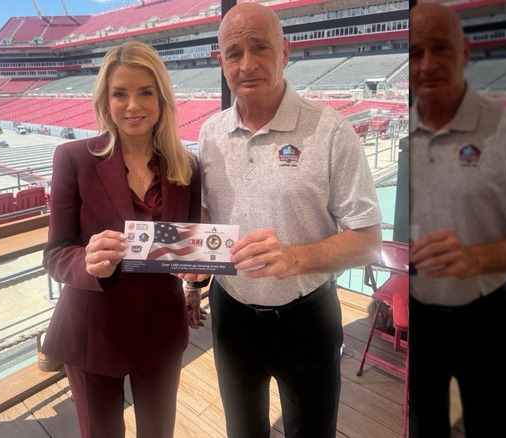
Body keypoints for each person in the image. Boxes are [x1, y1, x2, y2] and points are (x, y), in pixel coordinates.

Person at [197, 3, 383, 437]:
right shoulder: (210, 133)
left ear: (285, 51)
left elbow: (368, 240)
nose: (248, 64)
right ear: (220, 61)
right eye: (234, 52)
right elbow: (209, 213)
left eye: (260, 47)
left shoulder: (332, 132)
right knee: (242, 430)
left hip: (306, 318)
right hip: (231, 313)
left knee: (312, 431)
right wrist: (189, 268)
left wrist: (294, 259)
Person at [408, 4, 506, 437]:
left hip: (487, 319)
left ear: (465, 53)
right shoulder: (402, 134)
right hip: (420, 316)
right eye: (414, 52)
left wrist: (476, 258)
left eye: (440, 48)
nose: (427, 64)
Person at [39, 41, 202, 437]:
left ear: (162, 100)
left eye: (146, 92)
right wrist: (88, 262)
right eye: (120, 93)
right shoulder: (73, 159)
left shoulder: (187, 168)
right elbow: (56, 253)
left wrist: (198, 279)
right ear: (105, 100)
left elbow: (191, 248)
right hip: (92, 331)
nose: (133, 105)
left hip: (162, 331)